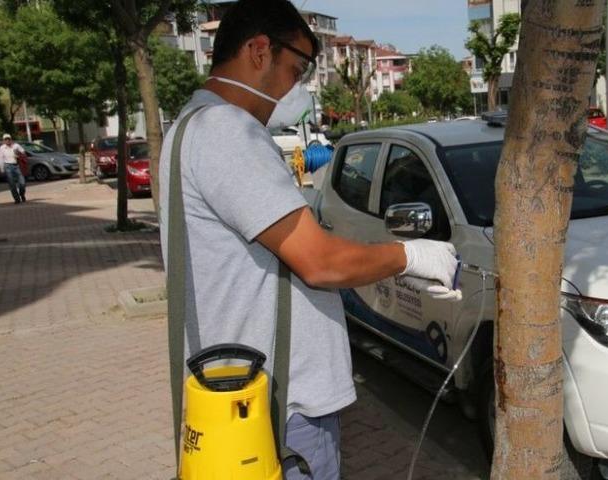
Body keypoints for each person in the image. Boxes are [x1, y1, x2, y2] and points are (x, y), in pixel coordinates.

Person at [157, 1, 459, 479]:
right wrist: (410, 255)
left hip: (242, 392)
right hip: (280, 402)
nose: (295, 88)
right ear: (259, 51)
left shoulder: (188, 126)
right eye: (295, 69)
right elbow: (320, 262)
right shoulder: (226, 131)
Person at [0, 134, 26, 204]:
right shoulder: (2, 148)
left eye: (8, 139)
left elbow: (23, 152)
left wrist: (19, 153)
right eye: (5, 139)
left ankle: (22, 194)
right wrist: (2, 169)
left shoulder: (16, 146)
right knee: (12, 184)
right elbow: (1, 158)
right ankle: (17, 199)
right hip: (7, 166)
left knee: (22, 183)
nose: (7, 140)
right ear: (3, 141)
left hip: (16, 166)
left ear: (11, 139)